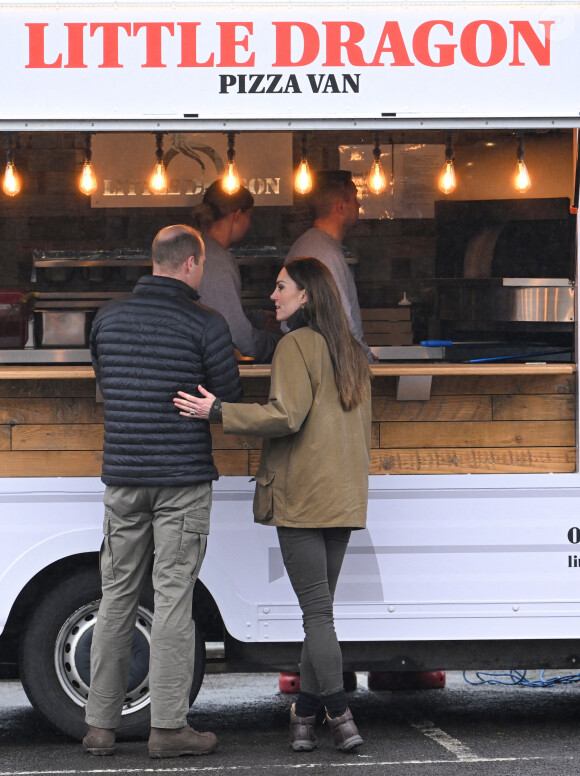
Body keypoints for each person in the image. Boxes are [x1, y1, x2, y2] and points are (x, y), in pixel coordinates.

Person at [173, 257, 371, 753]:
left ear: (306, 296)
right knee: (319, 612)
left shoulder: (294, 345)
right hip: (344, 497)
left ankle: (341, 717)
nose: (273, 296)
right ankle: (303, 717)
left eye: (281, 287)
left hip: (303, 496)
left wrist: (216, 410)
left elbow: (286, 415)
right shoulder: (352, 350)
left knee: (317, 615)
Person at [84, 225, 243, 759]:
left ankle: (101, 725)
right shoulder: (207, 323)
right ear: (193, 264)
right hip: (181, 480)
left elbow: (106, 379)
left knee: (116, 596)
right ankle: (169, 728)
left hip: (123, 476)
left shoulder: (106, 317)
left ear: (154, 262)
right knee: (173, 599)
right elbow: (229, 397)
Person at [285, 169, 375, 362]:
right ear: (340, 207)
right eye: (354, 199)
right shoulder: (326, 255)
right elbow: (343, 323)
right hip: (329, 368)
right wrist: (366, 360)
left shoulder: (308, 244)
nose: (359, 205)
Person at [193, 180, 282, 362]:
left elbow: (214, 312)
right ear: (238, 215)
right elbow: (238, 336)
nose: (249, 224)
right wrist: (281, 344)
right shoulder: (217, 262)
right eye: (249, 216)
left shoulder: (203, 250)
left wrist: (256, 318)